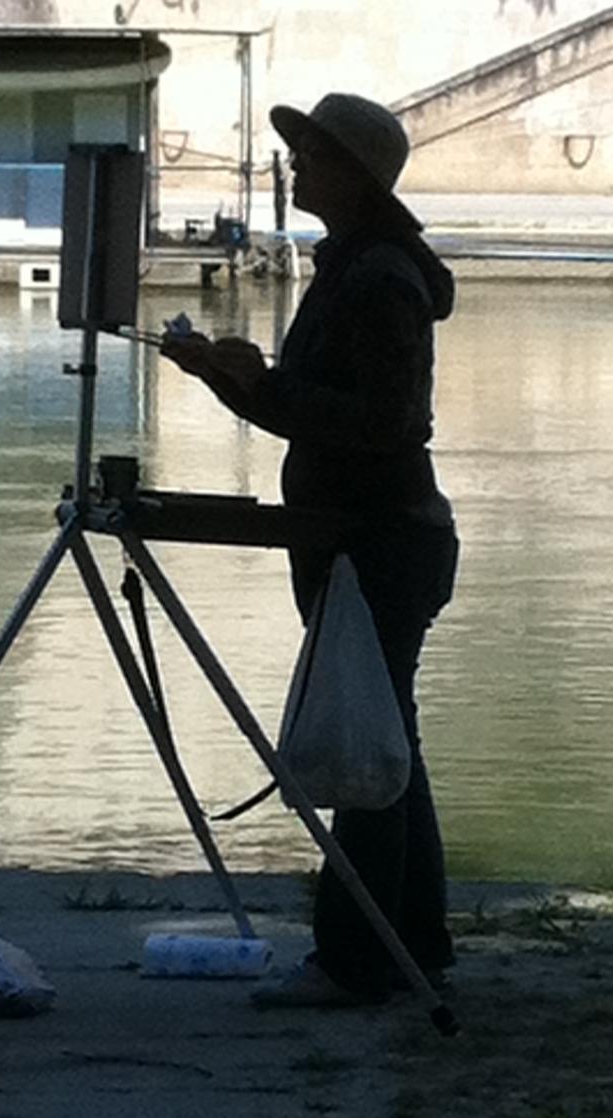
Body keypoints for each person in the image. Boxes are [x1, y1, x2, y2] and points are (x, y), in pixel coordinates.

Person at [161, 93, 459, 1007]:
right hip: (364, 536)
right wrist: (234, 382)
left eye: (313, 156)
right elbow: (313, 409)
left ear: (356, 178)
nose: (296, 168)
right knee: (389, 739)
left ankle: (355, 961)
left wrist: (258, 386)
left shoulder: (379, 279)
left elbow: (386, 422)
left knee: (366, 751)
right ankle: (413, 944)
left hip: (379, 540)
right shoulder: (356, 266)